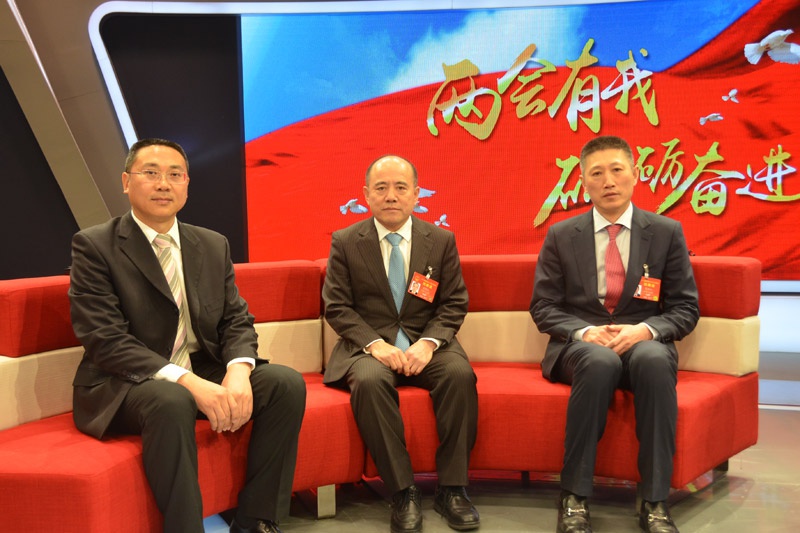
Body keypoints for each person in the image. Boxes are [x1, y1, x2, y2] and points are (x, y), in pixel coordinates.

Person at [68, 138, 306, 533]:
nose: (164, 184)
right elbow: (105, 339)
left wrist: (239, 371)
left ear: (187, 185)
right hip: (125, 383)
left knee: (284, 383)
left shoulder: (211, 244)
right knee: (172, 398)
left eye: (175, 175)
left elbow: (235, 319)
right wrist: (189, 382)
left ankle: (256, 520)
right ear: (126, 182)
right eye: (151, 173)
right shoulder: (95, 246)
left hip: (201, 369)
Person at [530, 136, 699, 533]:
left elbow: (685, 308)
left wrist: (646, 330)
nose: (608, 181)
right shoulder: (561, 235)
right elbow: (544, 307)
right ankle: (574, 497)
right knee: (599, 360)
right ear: (583, 182)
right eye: (597, 173)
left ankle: (655, 501)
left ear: (635, 175)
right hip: (581, 347)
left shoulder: (666, 232)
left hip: (642, 342)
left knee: (654, 359)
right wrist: (584, 331)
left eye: (617, 170)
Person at [322, 155, 480, 533]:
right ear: (366, 195)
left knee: (459, 375)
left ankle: (452, 489)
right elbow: (337, 307)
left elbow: (454, 303)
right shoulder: (346, 241)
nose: (391, 196)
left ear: (416, 194)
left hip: (427, 344)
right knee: (370, 381)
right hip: (369, 349)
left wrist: (428, 343)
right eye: (381, 188)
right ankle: (402, 490)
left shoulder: (440, 240)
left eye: (400, 188)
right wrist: (375, 345)